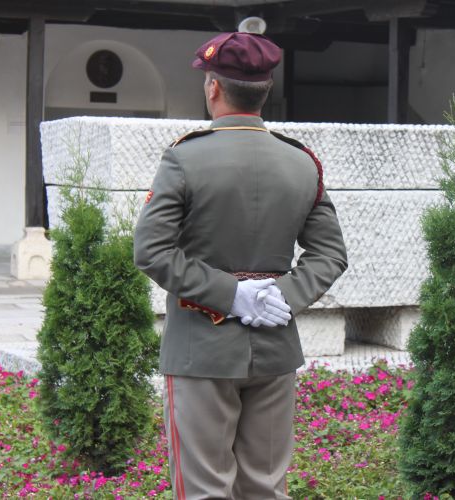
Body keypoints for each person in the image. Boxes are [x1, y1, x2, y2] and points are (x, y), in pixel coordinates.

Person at [133, 32, 348, 499]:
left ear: (213, 87)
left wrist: (231, 296)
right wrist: (278, 297)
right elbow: (330, 254)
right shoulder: (301, 162)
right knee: (265, 488)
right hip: (275, 346)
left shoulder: (185, 158)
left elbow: (151, 250)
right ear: (265, 91)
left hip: (201, 350)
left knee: (205, 489)